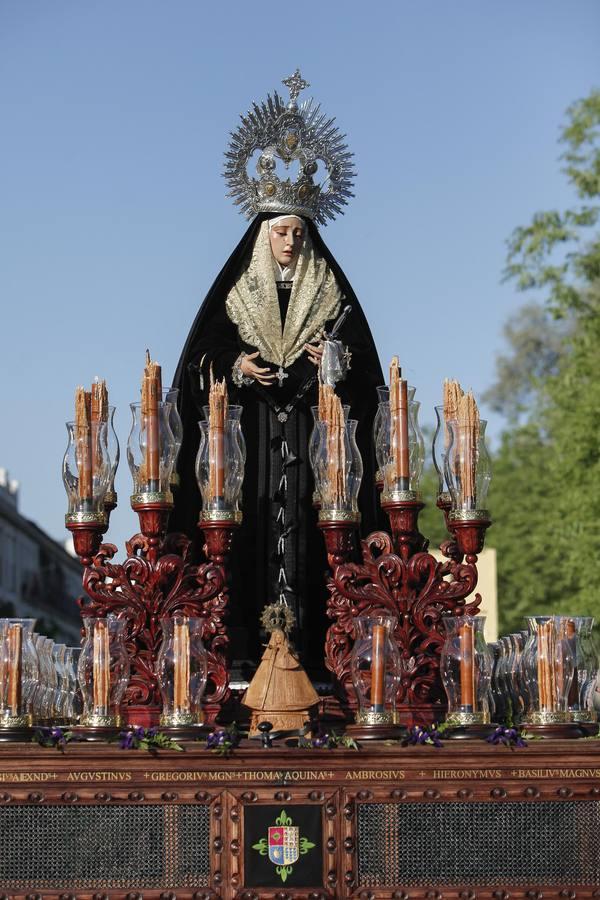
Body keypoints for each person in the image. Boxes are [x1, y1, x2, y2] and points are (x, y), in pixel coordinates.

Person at [169, 73, 384, 677]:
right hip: (249, 445)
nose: (290, 241)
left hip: (318, 448)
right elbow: (196, 364)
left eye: (298, 231)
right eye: (280, 231)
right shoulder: (235, 293)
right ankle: (239, 654)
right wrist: (234, 365)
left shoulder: (333, 295)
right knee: (247, 539)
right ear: (263, 236)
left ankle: (320, 655)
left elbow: (370, 380)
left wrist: (335, 365)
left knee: (317, 543)